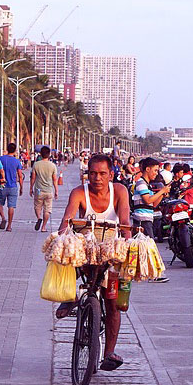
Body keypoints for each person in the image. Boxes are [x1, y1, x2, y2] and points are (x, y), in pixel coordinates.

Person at [57, 153, 134, 371]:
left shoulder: (119, 191)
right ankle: (70, 297)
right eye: (92, 173)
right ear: (87, 174)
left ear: (111, 174)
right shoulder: (79, 193)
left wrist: (127, 243)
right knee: (64, 251)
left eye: (102, 173)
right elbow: (67, 219)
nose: (97, 178)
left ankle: (109, 351)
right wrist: (62, 236)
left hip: (111, 251)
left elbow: (125, 219)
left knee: (112, 302)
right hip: (87, 249)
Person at [30, 146, 60, 232]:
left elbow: (33, 178)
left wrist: (31, 188)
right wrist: (56, 191)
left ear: (40, 154)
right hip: (49, 190)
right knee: (47, 209)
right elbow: (55, 180)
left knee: (37, 206)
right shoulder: (53, 166)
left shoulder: (36, 164)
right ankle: (43, 227)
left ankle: (39, 218)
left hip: (38, 190)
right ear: (49, 154)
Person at [0, 143, 24, 232]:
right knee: (11, 206)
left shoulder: (0, 159)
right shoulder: (17, 161)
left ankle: (3, 217)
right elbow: (20, 175)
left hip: (2, 185)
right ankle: (9, 226)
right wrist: (21, 187)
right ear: (15, 150)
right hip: (13, 186)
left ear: (7, 149)